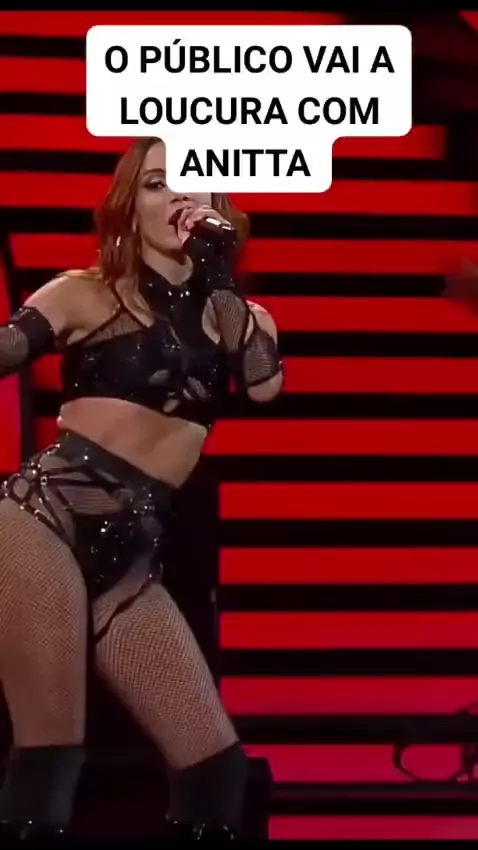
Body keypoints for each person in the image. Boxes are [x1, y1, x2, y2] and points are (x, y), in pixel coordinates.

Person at [0, 137, 284, 840]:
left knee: (215, 769)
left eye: (195, 182)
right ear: (130, 206)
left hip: (131, 553)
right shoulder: (83, 292)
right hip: (43, 519)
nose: (179, 196)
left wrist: (218, 272)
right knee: (50, 752)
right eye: (158, 184)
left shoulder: (244, 319)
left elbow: (263, 386)